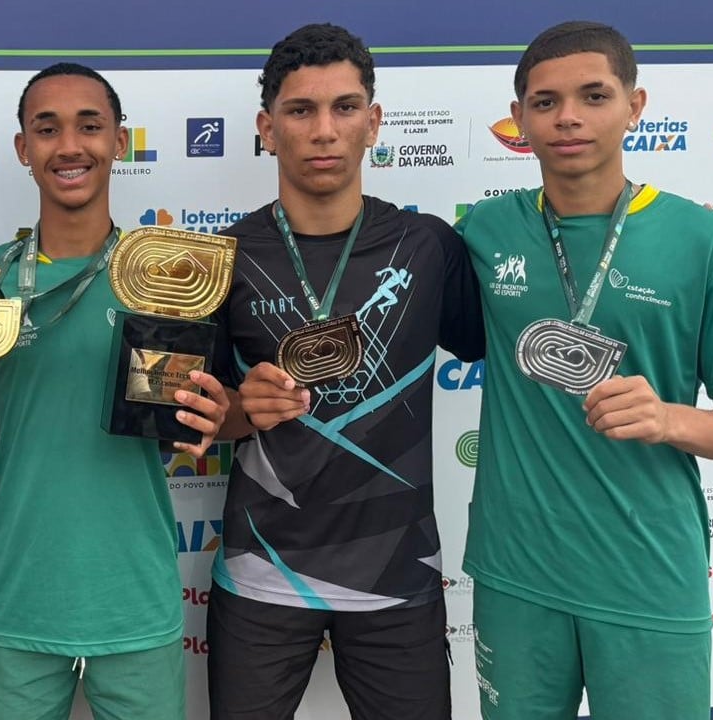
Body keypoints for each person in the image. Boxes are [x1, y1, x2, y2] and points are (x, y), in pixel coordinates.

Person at [0, 63, 229, 720]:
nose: (70, 146)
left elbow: (178, 425)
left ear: (119, 141)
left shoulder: (171, 278)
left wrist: (206, 417)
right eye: (47, 129)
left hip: (133, 595)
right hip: (22, 593)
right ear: (25, 149)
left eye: (90, 126)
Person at [457, 20, 713, 720]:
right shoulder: (485, 231)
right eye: (544, 101)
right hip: (515, 574)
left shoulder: (706, 240)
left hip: (647, 575)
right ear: (520, 119)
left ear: (635, 106)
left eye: (594, 96)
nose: (567, 117)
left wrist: (669, 420)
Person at [206, 23, 484, 720]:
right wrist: (244, 406)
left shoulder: (430, 247)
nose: (324, 130)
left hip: (400, 574)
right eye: (301, 111)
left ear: (374, 122)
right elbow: (198, 422)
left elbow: (496, 355)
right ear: (268, 129)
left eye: (345, 108)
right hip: (261, 573)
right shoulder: (221, 256)